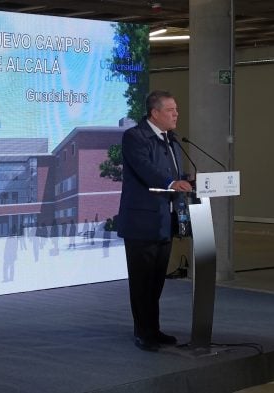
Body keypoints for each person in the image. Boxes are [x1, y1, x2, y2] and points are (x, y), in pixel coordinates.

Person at [116, 90, 193, 352]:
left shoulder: (171, 140)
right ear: (155, 113)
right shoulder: (134, 137)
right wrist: (172, 182)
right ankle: (142, 333)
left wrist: (188, 181)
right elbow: (147, 170)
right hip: (141, 222)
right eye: (171, 110)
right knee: (142, 282)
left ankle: (154, 329)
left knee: (157, 280)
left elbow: (174, 173)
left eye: (177, 110)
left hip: (164, 220)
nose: (176, 115)